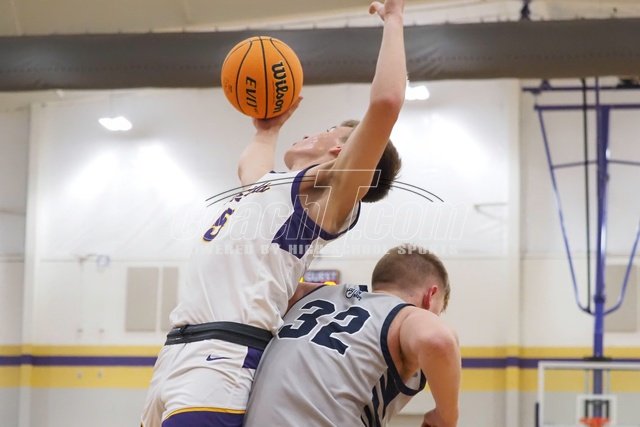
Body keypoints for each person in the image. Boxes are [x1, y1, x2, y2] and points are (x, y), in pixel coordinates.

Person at [140, 0, 408, 425]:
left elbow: (387, 103)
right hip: (175, 352)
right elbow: (250, 167)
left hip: (222, 357)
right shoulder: (276, 188)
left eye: (327, 131)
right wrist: (269, 128)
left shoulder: (327, 198)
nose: (312, 130)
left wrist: (393, 20)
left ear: (341, 152)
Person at [245, 244, 461, 427]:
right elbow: (438, 341)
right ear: (430, 296)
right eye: (437, 312)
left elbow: (251, 286)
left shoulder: (307, 294)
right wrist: (445, 417)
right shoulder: (405, 316)